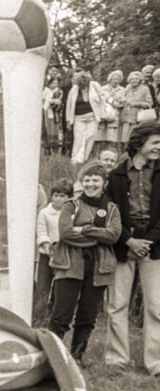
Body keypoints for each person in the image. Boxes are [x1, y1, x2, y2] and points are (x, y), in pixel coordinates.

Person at [48, 161, 121, 363]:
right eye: (86, 180)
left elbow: (114, 235)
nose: (90, 184)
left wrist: (86, 229)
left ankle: (77, 357)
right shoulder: (71, 205)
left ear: (104, 183)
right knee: (61, 314)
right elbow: (65, 233)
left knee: (88, 316)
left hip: (98, 267)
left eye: (95, 180)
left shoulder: (112, 209)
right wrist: (99, 236)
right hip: (70, 264)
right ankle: (50, 358)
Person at [105, 121, 160, 375]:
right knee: (117, 304)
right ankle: (117, 360)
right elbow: (109, 213)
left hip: (154, 246)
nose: (159, 147)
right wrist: (129, 240)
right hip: (123, 245)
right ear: (139, 143)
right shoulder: (116, 175)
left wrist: (147, 241)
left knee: (156, 306)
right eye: (155, 142)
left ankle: (155, 363)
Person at [34, 180, 73, 324]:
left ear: (69, 197)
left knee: (60, 288)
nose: (58, 199)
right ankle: (38, 319)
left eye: (62, 196)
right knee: (42, 288)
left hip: (65, 255)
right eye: (56, 195)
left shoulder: (72, 213)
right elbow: (42, 231)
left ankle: (54, 318)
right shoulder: (45, 213)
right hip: (47, 255)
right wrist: (47, 246)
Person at [66, 67, 107, 165]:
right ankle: (75, 160)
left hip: (92, 117)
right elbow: (69, 105)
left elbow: (102, 99)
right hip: (78, 118)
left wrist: (102, 114)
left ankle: (84, 159)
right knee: (78, 139)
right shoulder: (74, 89)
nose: (82, 87)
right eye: (80, 85)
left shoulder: (95, 86)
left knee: (90, 137)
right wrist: (68, 120)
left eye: (84, 85)